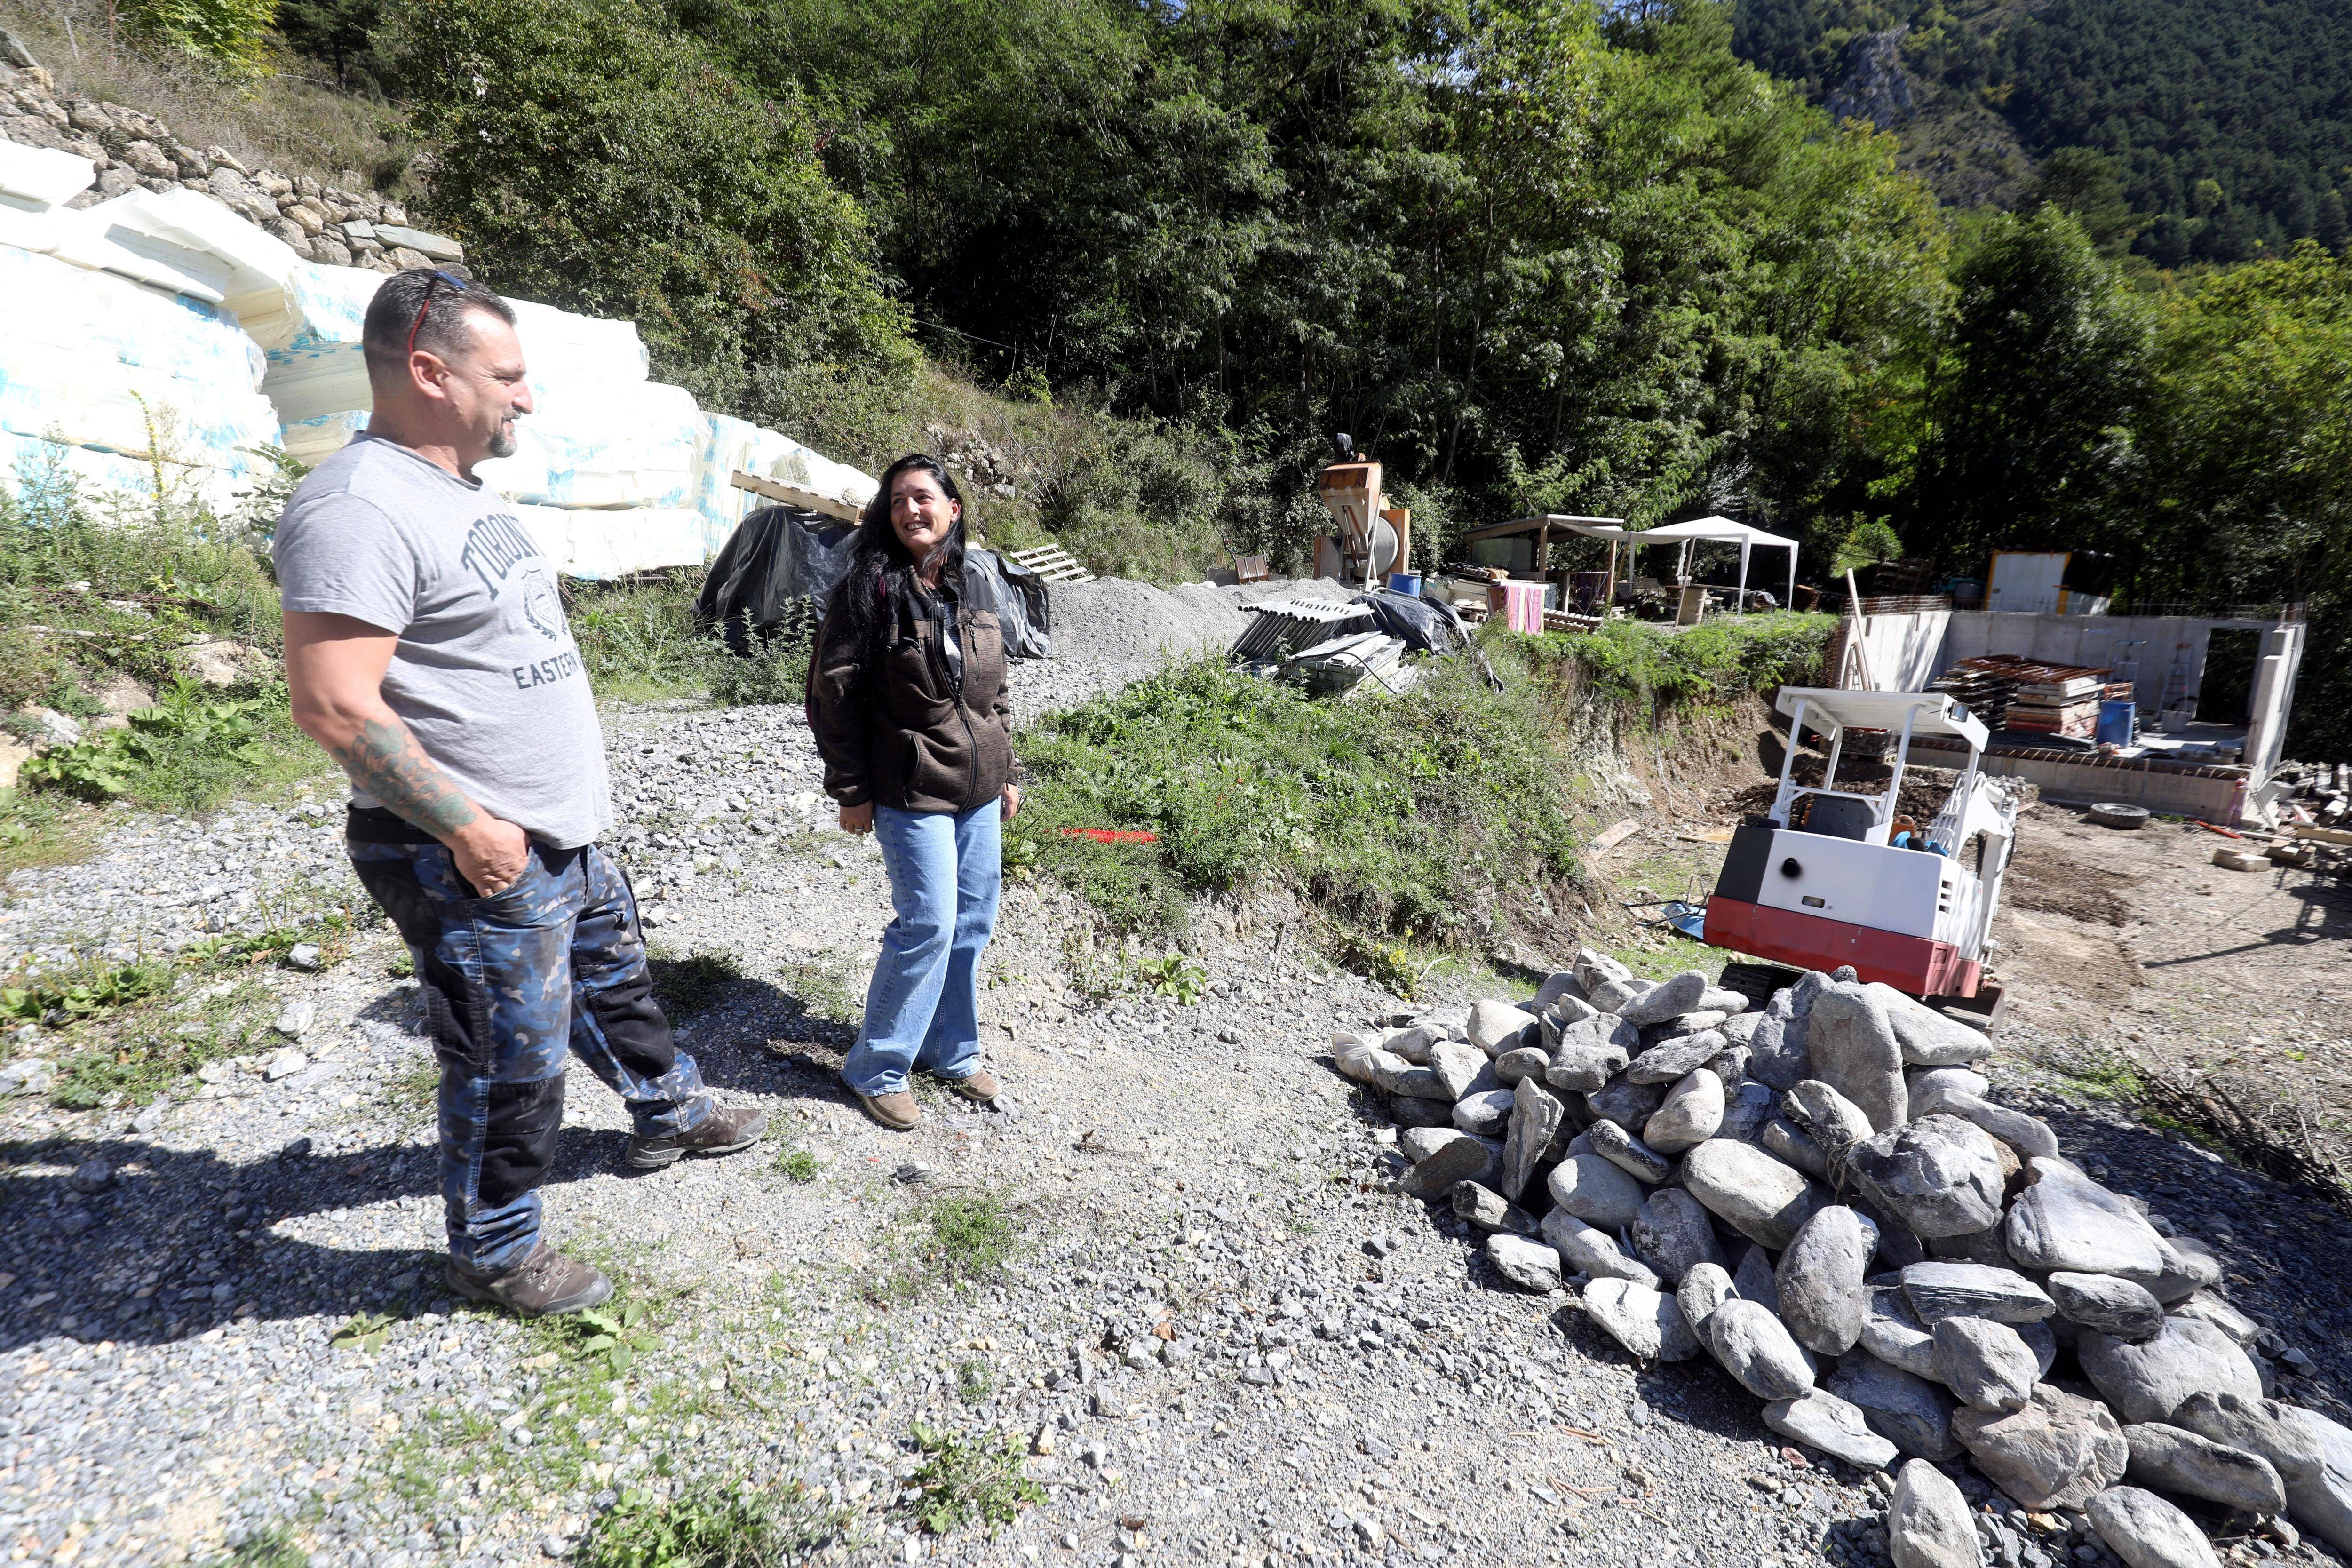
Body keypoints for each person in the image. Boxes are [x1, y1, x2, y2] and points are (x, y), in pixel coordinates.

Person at [274, 268, 768, 1318]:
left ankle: (666, 1109)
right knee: (509, 1058)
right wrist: (471, 827)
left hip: (554, 832)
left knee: (616, 984)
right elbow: (334, 704)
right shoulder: (358, 505)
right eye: (507, 376)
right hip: (472, 846)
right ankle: (495, 1250)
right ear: (427, 371)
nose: (526, 399)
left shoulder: (449, 493)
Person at [807, 454, 1020, 1130]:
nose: (910, 510)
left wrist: (1006, 771)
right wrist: (850, 787)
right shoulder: (866, 590)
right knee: (928, 923)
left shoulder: (975, 583)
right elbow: (831, 695)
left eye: (923, 498)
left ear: (953, 509)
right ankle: (876, 1065)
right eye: (897, 501)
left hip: (978, 789)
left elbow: (997, 691)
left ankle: (950, 1050)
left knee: (971, 923)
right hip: (909, 786)